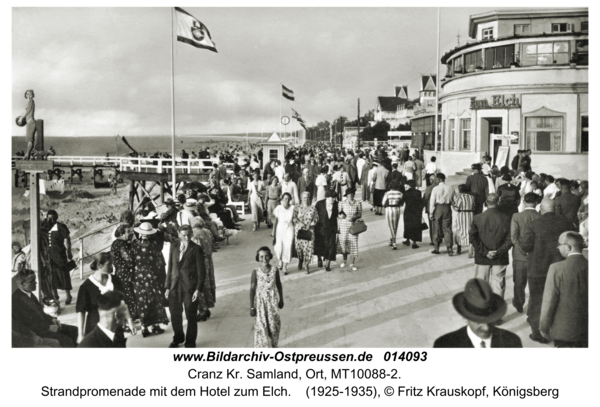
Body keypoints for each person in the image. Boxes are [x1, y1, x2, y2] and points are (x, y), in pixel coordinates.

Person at [520, 198, 576, 344]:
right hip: (561, 269)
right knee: (560, 300)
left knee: (537, 300)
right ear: (554, 208)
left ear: (541, 209)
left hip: (538, 269)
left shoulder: (533, 224)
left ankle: (538, 333)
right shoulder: (566, 223)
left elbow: (525, 246)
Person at [433, 278, 522, 348]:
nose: (486, 328)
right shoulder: (445, 345)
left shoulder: (512, 342)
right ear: (465, 317)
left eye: (490, 320)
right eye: (479, 321)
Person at [539, 232, 588, 347]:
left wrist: (543, 327)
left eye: (559, 244)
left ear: (568, 247)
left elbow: (548, 302)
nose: (557, 247)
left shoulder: (556, 268)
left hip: (564, 332)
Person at [76, 252, 134, 343]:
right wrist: (80, 334)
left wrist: (130, 321)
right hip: (95, 328)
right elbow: (81, 311)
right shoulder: (86, 286)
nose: (112, 267)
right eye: (109, 264)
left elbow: (123, 302)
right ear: (99, 265)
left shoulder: (115, 280)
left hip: (115, 327)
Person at [12, 269, 79, 347]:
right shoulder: (16, 301)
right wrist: (48, 328)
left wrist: (52, 319)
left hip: (45, 325)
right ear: (22, 284)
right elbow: (27, 324)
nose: (36, 282)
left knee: (74, 330)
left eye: (35, 280)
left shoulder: (29, 294)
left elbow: (40, 313)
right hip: (37, 332)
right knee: (67, 340)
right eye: (32, 281)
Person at [469, 194, 513, 312]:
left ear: (485, 202)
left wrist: (485, 252)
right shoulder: (507, 218)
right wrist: (498, 251)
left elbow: (473, 238)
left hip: (482, 258)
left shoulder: (477, 218)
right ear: (498, 202)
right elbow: (510, 239)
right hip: (500, 257)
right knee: (498, 285)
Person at [165, 225, 206, 348]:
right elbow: (170, 268)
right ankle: (178, 337)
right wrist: (167, 286)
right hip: (174, 286)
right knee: (175, 314)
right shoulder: (174, 246)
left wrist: (198, 289)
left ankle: (190, 341)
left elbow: (201, 271)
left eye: (188, 234)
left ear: (192, 233)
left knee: (191, 315)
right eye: (183, 235)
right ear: (178, 234)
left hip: (190, 287)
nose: (186, 237)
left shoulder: (196, 249)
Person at [132, 222, 170, 338]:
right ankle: (155, 325)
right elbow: (159, 263)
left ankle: (144, 327)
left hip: (138, 276)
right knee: (154, 299)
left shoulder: (134, 245)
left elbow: (132, 260)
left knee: (142, 300)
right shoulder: (154, 245)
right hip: (151, 275)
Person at [510, 193, 542, 313]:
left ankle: (519, 304)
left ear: (524, 202)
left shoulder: (516, 216)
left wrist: (522, 249)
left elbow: (514, 237)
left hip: (519, 255)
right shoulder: (540, 216)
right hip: (535, 256)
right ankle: (533, 308)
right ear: (536, 203)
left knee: (518, 282)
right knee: (535, 284)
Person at [250, 247, 284, 348]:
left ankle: (274, 346)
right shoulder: (255, 272)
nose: (264, 259)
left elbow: (278, 284)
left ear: (270, 257)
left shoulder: (275, 270)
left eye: (266, 256)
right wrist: (252, 306)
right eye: (261, 256)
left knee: (274, 327)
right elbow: (252, 289)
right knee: (262, 328)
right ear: (258, 258)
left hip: (272, 303)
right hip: (261, 305)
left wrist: (281, 298)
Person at [43, 210, 73, 305]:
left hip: (60, 254)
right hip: (49, 255)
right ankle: (55, 296)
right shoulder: (44, 227)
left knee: (64, 274)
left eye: (53, 218)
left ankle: (68, 295)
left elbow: (67, 238)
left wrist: (69, 251)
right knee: (51, 275)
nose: (51, 220)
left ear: (56, 218)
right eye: (49, 218)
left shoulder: (61, 227)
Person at [110, 224, 137, 324]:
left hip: (118, 271)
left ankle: (128, 317)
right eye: (128, 232)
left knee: (124, 294)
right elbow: (128, 258)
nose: (131, 233)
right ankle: (132, 316)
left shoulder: (115, 243)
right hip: (126, 272)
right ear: (122, 234)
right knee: (129, 294)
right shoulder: (123, 244)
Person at [191, 217, 216, 322]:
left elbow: (195, 251)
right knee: (208, 283)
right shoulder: (207, 232)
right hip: (209, 261)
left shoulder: (195, 236)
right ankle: (207, 307)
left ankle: (203, 310)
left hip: (200, 262)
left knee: (200, 284)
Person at [293, 191, 319, 274]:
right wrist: (301, 224)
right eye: (304, 197)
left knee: (309, 248)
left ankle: (306, 264)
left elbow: (316, 218)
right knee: (299, 248)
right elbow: (294, 218)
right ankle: (300, 260)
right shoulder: (297, 207)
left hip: (309, 230)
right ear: (301, 198)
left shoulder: (313, 208)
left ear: (309, 198)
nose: (306, 199)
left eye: (307, 197)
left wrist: (310, 225)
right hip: (300, 230)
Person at [429, 173, 455, 256]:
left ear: (439, 179)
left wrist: (431, 212)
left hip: (438, 208)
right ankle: (449, 247)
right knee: (447, 228)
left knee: (436, 228)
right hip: (447, 208)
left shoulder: (435, 189)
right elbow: (454, 200)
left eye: (436, 179)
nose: (435, 180)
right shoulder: (450, 187)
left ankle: (436, 248)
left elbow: (432, 201)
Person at [337, 188, 362, 271]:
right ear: (346, 195)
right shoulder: (342, 203)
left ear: (353, 194)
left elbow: (360, 214)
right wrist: (341, 216)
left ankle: (352, 264)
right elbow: (338, 214)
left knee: (353, 244)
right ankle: (344, 260)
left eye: (352, 194)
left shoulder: (358, 203)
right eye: (348, 194)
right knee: (344, 243)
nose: (350, 195)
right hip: (343, 225)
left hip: (353, 226)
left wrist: (354, 217)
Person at [314, 190, 338, 271]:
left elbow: (338, 214)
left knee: (331, 246)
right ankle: (319, 259)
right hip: (320, 228)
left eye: (335, 198)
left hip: (331, 229)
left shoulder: (336, 204)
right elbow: (314, 214)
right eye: (332, 198)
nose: (334, 199)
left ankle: (327, 265)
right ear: (327, 197)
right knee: (320, 245)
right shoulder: (319, 204)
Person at [272, 192, 295, 275]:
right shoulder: (278, 208)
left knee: (287, 247)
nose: (287, 200)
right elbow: (275, 220)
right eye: (285, 198)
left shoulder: (292, 208)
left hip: (289, 228)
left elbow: (295, 220)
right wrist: (273, 231)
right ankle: (280, 261)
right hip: (280, 228)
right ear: (282, 199)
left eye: (288, 199)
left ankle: (285, 267)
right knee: (279, 247)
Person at [451, 184, 475, 255]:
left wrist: (452, 205)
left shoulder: (460, 197)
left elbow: (456, 208)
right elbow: (474, 207)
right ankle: (471, 248)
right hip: (470, 214)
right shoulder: (472, 197)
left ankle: (459, 249)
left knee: (460, 230)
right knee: (470, 231)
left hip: (462, 214)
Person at [381, 180, 404, 250]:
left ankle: (394, 242)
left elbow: (383, 203)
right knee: (395, 225)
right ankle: (392, 239)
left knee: (391, 226)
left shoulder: (387, 193)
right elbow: (401, 203)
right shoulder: (400, 193)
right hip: (397, 209)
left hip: (389, 210)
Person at [19, 90, 37, 160]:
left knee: (30, 140)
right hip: (29, 122)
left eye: (29, 94)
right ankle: (28, 154)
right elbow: (27, 111)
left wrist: (22, 118)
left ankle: (27, 154)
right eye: (27, 94)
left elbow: (28, 110)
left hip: (31, 122)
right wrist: (22, 117)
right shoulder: (29, 101)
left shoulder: (31, 101)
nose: (28, 95)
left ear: (32, 95)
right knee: (30, 140)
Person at [422, 173, 439, 246]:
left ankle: (433, 240)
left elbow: (425, 198)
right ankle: (439, 238)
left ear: (431, 180)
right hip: (439, 208)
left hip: (431, 208)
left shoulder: (429, 188)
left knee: (432, 225)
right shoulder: (439, 187)